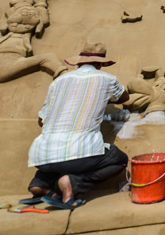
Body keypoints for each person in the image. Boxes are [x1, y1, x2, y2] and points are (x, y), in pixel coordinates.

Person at [24, 41, 130, 210]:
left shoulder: (59, 81)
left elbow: (41, 120)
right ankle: (72, 184)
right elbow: (124, 97)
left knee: (56, 156)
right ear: (100, 63)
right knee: (119, 159)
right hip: (79, 155)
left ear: (79, 61)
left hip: (40, 156)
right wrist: (104, 98)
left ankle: (39, 184)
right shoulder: (107, 79)